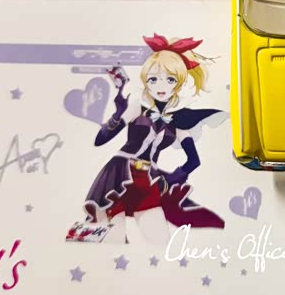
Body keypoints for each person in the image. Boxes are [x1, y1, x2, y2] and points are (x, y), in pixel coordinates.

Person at [81, 33, 228, 244]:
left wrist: (174, 177)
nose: (161, 86)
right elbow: (100, 139)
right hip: (119, 174)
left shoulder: (179, 120)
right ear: (145, 81)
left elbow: (194, 161)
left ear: (179, 83)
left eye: (170, 79)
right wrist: (118, 115)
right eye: (153, 79)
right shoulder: (136, 107)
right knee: (114, 240)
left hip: (148, 179)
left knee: (161, 241)